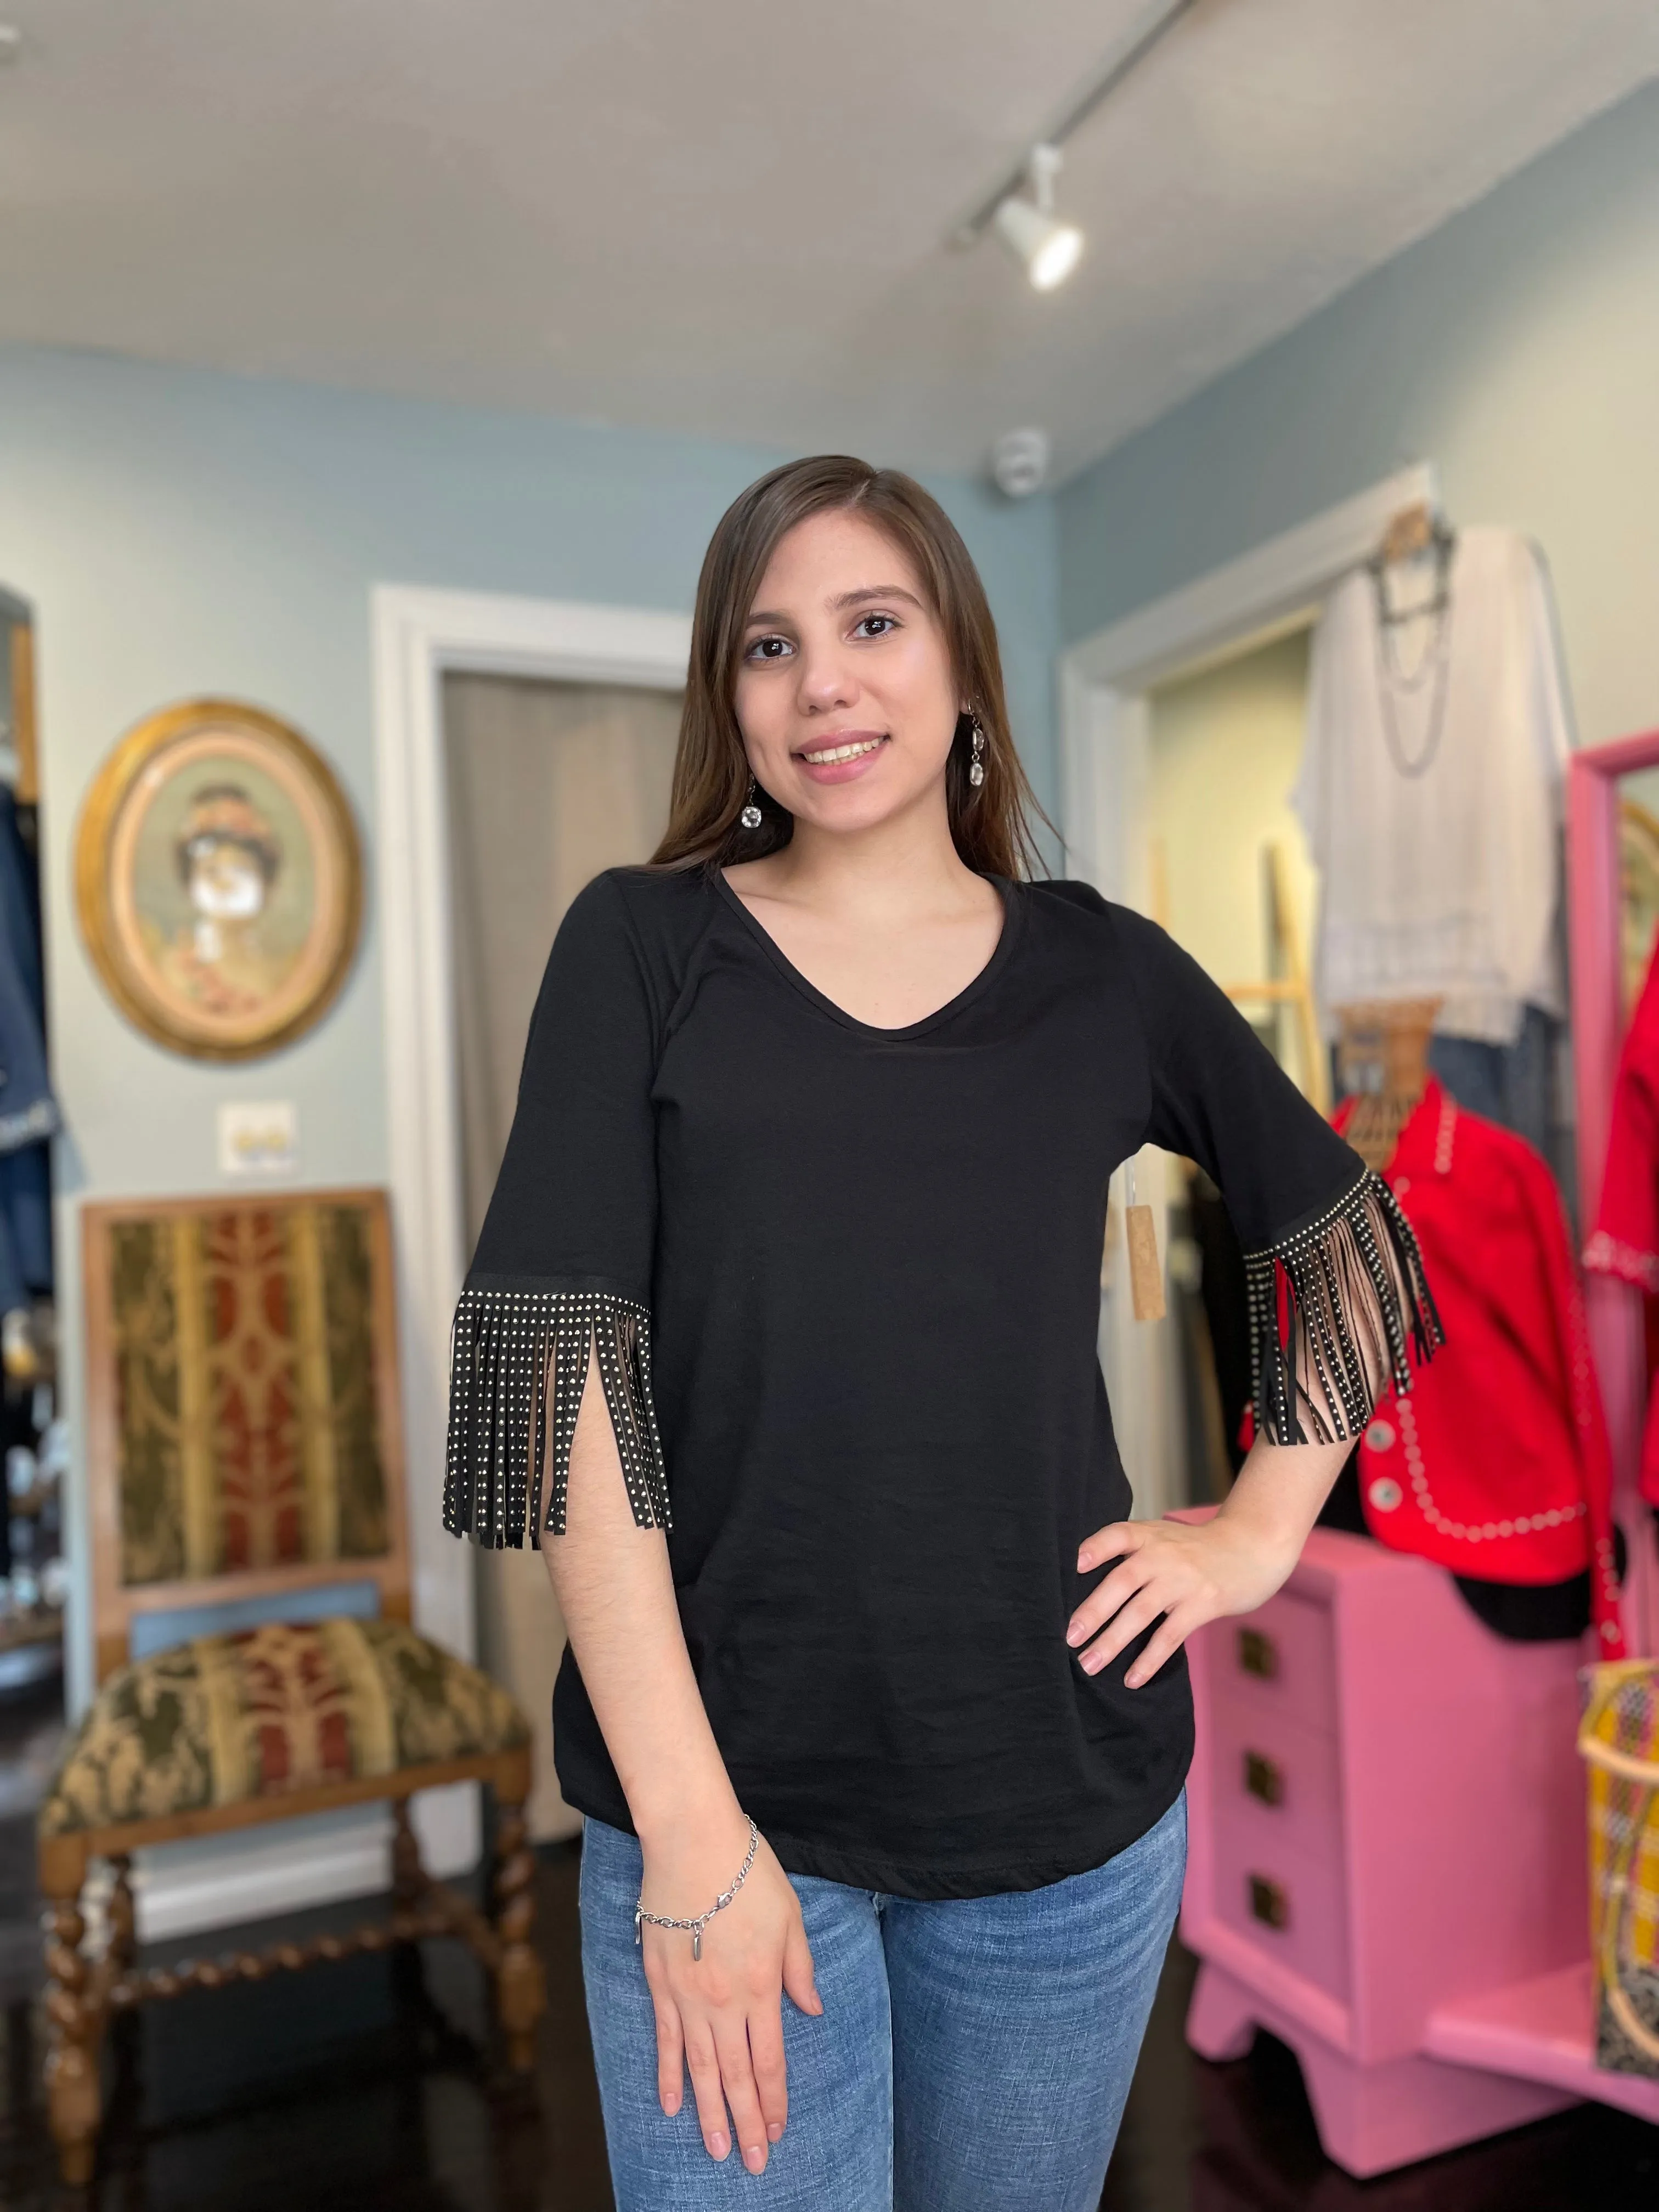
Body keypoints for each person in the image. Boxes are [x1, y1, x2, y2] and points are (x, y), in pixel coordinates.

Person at [444, 456, 1439, 2210]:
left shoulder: (1101, 970)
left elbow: (1344, 1232)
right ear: (729, 699)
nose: (823, 681)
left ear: (964, 670)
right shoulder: (644, 946)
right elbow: (568, 1384)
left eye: (873, 624)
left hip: (1061, 1813)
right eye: (769, 646)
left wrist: (1258, 1533)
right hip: (724, 1813)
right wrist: (687, 1830)